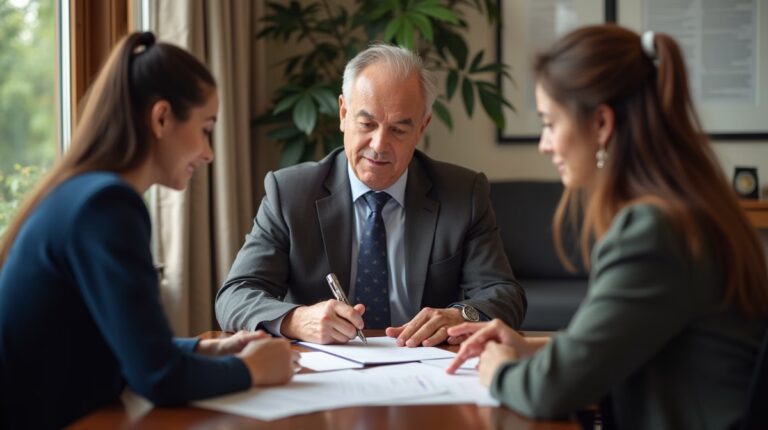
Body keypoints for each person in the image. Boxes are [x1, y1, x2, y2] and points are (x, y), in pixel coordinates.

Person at [447, 24, 768, 429]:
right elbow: (625, 343)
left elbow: (550, 391)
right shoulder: (694, 207)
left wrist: (500, 370)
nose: (545, 144)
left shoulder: (653, 231)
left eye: (550, 123)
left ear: (601, 123)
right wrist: (530, 348)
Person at [0, 32, 297, 429]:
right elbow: (158, 377)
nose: (209, 153)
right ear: (161, 118)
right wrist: (252, 370)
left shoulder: (82, 193)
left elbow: (126, 345)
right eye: (206, 129)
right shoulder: (107, 206)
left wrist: (210, 349)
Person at [216, 43, 526, 346]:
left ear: (422, 127)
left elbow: (504, 294)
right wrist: (296, 319)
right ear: (343, 113)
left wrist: (460, 315)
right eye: (367, 124)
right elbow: (235, 295)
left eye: (398, 130)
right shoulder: (290, 193)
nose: (378, 145)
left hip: (424, 362)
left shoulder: (462, 193)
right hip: (326, 367)